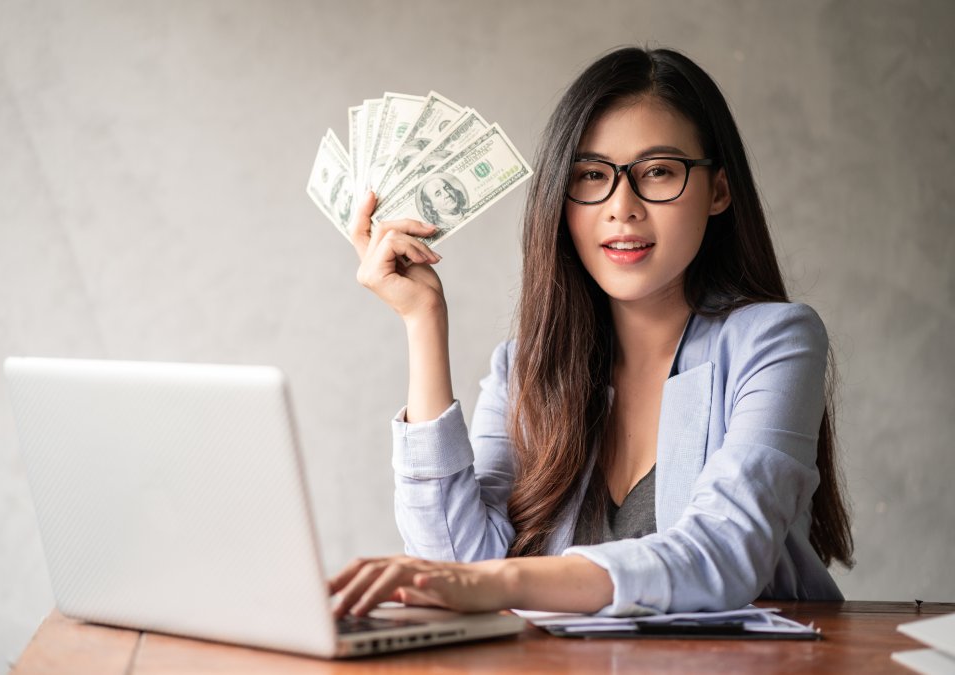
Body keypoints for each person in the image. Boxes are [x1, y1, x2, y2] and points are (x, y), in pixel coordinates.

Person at [331, 46, 853, 618]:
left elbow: (725, 553)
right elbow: (454, 562)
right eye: (591, 176)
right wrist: (422, 320)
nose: (621, 208)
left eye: (658, 171)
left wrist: (503, 583)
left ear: (718, 192)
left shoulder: (775, 341)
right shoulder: (523, 370)